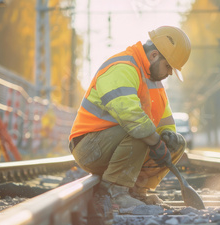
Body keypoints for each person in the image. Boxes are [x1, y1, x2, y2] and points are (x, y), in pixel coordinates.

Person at [69, 26, 191, 213]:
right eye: (168, 67)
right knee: (140, 131)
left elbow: (166, 123)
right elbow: (131, 118)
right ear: (154, 55)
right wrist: (155, 141)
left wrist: (167, 138)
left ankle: (135, 192)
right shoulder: (122, 67)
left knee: (175, 143)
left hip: (116, 146)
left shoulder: (154, 82)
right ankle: (114, 192)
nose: (169, 73)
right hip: (89, 147)